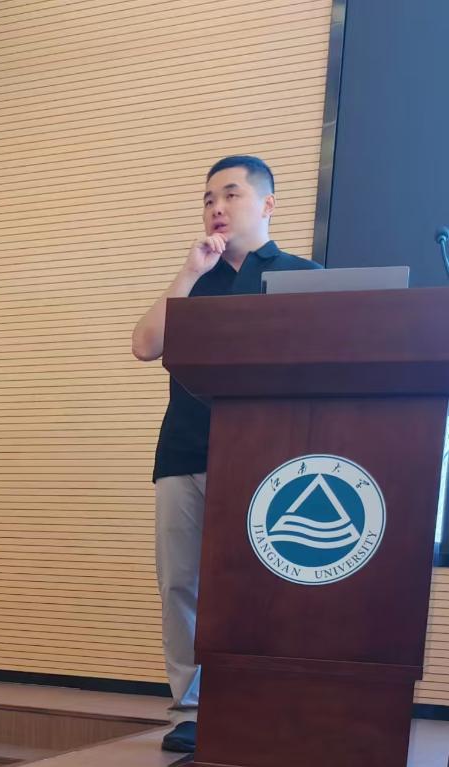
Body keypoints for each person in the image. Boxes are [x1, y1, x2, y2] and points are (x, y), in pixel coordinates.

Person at [131, 156, 320, 753]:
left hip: (269, 457)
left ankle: (267, 704)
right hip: (184, 452)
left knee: (263, 585)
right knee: (180, 584)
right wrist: (189, 271)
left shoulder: (302, 274)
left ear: (267, 204)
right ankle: (193, 708)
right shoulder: (197, 280)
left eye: (231, 194)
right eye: (209, 198)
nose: (217, 207)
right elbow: (144, 346)